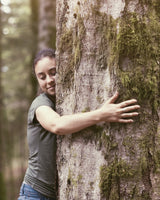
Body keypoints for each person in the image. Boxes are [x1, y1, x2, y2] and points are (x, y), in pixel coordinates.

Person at [18, 48, 140, 200]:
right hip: (35, 193)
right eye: (42, 77)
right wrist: (102, 114)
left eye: (53, 72)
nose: (49, 80)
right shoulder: (40, 105)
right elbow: (58, 126)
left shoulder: (64, 102)